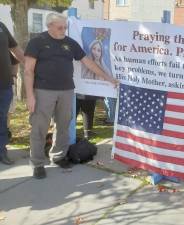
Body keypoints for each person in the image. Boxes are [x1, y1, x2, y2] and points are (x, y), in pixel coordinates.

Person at [24, 13, 118, 179]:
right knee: (40, 127)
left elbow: (88, 62)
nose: (64, 30)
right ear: (49, 26)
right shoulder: (37, 42)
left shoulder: (69, 43)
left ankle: (58, 155)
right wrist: (30, 96)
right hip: (43, 91)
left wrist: (108, 78)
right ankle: (37, 162)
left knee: (63, 125)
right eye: (60, 27)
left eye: (65, 27)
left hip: (67, 91)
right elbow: (28, 71)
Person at [0, 21, 24, 165]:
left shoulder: (1, 26)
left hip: (4, 85)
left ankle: (1, 152)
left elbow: (14, 48)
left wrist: (29, 65)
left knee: (2, 120)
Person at [7, 53, 20, 139]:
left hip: (7, 83)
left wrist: (13, 76)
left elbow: (16, 61)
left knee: (8, 110)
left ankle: (6, 130)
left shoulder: (4, 47)